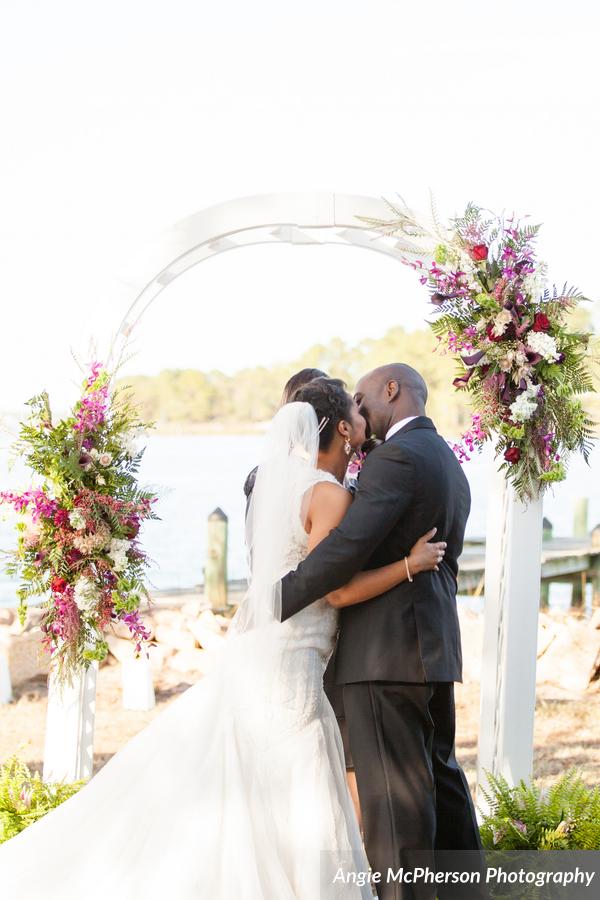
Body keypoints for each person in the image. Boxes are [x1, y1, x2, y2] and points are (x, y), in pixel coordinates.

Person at [0, 380, 446, 900]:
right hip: (293, 660)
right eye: (356, 409)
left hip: (263, 648)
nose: (365, 415)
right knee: (291, 771)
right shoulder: (329, 495)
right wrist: (409, 565)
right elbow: (337, 590)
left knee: (250, 770)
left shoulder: (277, 487)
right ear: (344, 429)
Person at [280, 364, 487, 900]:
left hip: (384, 656)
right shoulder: (445, 458)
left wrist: (274, 601)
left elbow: (344, 550)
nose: (358, 407)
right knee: (443, 787)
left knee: (395, 814)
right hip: (433, 650)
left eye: (362, 395)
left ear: (391, 390)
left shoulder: (396, 458)